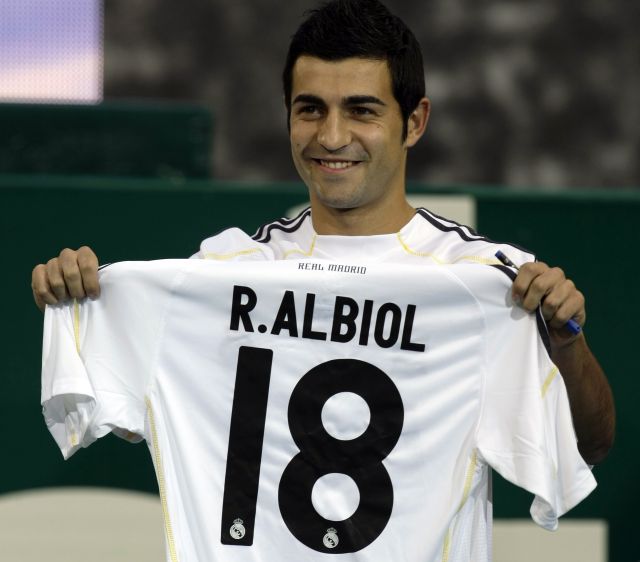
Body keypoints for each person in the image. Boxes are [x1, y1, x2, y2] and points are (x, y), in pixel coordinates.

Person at [33, 0, 613, 535]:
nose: (332, 137)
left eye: (361, 110)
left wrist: (566, 344)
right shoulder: (223, 273)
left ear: (414, 122)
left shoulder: (487, 282)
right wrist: (80, 298)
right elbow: (127, 407)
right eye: (310, 109)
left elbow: (587, 446)